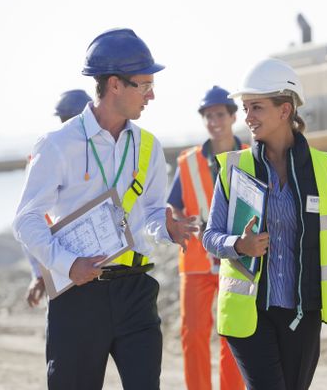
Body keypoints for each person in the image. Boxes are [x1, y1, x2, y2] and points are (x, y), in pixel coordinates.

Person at [13, 28, 195, 390]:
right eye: (144, 84)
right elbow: (26, 221)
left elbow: (153, 212)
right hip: (78, 296)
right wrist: (67, 265)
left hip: (136, 291)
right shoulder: (57, 145)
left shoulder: (149, 146)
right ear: (115, 84)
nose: (152, 95)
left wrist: (167, 228)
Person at [202, 58, 327, 390]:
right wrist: (238, 245)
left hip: (302, 313)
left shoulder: (321, 170)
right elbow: (210, 235)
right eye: (245, 108)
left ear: (285, 110)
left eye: (257, 107)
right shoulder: (236, 167)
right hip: (249, 314)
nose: (248, 117)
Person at [167, 86, 246, 390]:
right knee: (194, 333)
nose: (214, 121)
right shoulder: (187, 162)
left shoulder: (251, 156)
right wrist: (179, 221)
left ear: (232, 117)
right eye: (208, 116)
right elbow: (174, 203)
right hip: (198, 260)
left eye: (220, 115)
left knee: (234, 333)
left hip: (239, 258)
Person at [25, 89, 93, 308]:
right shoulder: (44, 157)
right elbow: (29, 220)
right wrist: (38, 272)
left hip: (93, 265)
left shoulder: (101, 155)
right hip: (60, 262)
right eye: (65, 120)